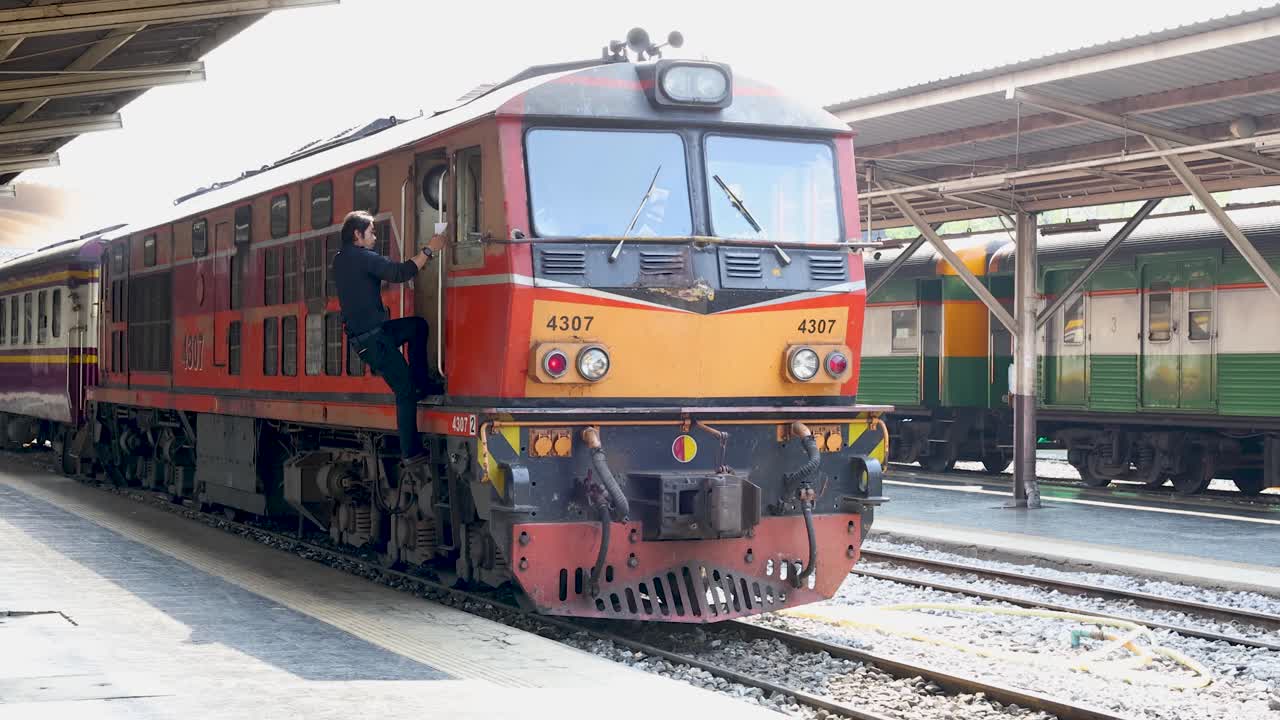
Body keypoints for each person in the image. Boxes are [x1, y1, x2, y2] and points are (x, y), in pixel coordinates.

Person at [333, 210, 445, 468]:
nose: (374, 237)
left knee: (417, 327)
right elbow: (400, 273)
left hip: (375, 335)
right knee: (403, 392)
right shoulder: (362, 257)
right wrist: (429, 249)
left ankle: (422, 382)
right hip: (375, 342)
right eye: (371, 232)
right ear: (357, 234)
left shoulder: (340, 260)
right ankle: (411, 453)